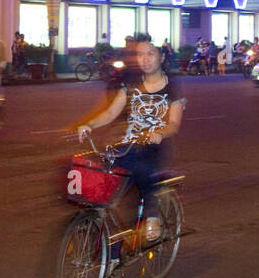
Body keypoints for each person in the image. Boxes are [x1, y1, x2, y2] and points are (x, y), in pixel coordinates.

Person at [75, 34, 184, 243]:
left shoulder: (171, 88)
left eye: (150, 53)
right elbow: (110, 113)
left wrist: (160, 133)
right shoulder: (131, 84)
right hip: (126, 146)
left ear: (161, 57)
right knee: (106, 194)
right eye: (140, 54)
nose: (145, 58)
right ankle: (112, 255)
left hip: (153, 147)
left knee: (142, 166)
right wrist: (89, 125)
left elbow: (174, 124)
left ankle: (152, 216)